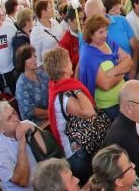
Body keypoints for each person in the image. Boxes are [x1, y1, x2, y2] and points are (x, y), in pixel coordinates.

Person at [42, 46, 100, 182]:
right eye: (68, 60)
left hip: (81, 147)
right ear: (63, 69)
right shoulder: (65, 94)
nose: (71, 62)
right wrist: (77, 89)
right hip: (78, 154)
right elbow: (89, 112)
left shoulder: (57, 85)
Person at [77, 14, 132, 116]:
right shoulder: (88, 55)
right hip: (109, 106)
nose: (105, 34)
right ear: (90, 34)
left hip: (124, 98)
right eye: (100, 32)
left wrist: (112, 72)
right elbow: (106, 85)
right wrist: (123, 71)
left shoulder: (107, 42)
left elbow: (129, 61)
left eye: (106, 30)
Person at [12, 44, 49, 123]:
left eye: (34, 56)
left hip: (50, 114)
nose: (34, 59)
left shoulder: (41, 74)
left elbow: (53, 87)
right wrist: (52, 113)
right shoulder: (21, 84)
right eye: (30, 57)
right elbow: (31, 111)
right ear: (22, 62)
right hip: (35, 123)